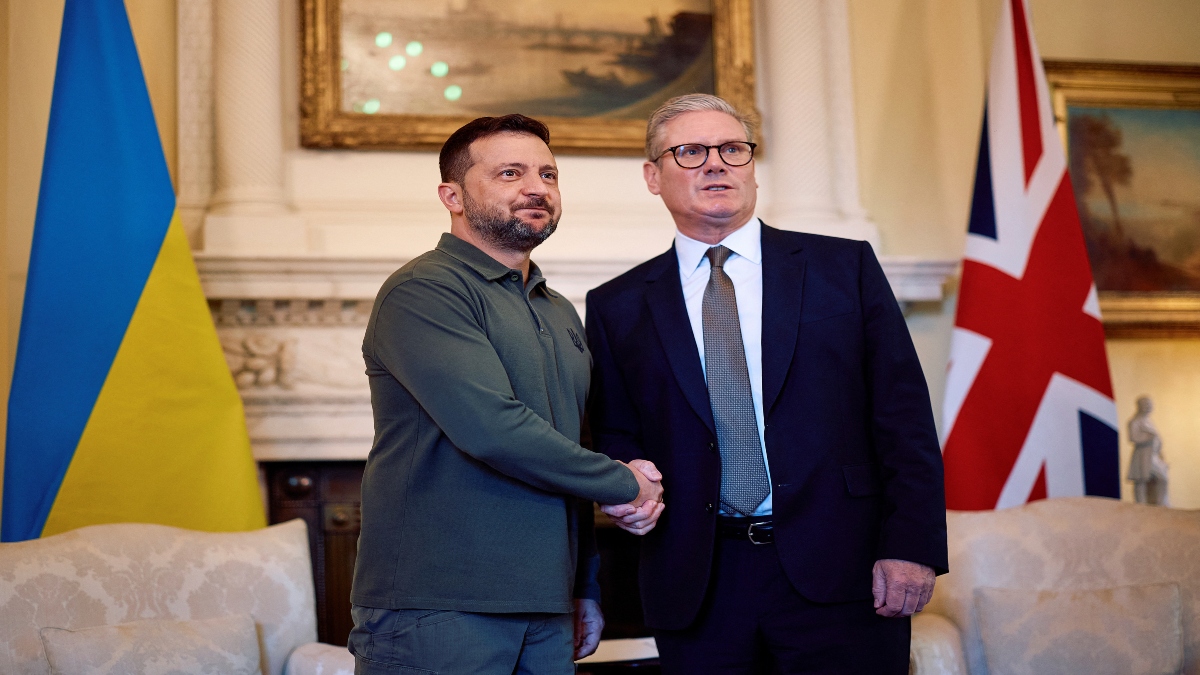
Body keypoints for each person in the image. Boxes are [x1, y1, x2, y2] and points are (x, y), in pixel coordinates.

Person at [585, 94, 948, 674]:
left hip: (843, 570)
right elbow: (616, 431)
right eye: (690, 152)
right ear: (653, 177)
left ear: (753, 168)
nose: (716, 164)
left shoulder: (844, 268)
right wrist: (626, 479)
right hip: (697, 583)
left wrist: (911, 546)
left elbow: (903, 417)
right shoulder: (617, 305)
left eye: (733, 149)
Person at [349, 114, 665, 675]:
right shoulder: (424, 290)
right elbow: (493, 429)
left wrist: (585, 585)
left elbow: (568, 448)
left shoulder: (558, 309)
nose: (536, 188)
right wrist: (627, 484)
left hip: (548, 604)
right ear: (452, 196)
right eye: (510, 173)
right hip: (439, 605)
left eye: (548, 174)